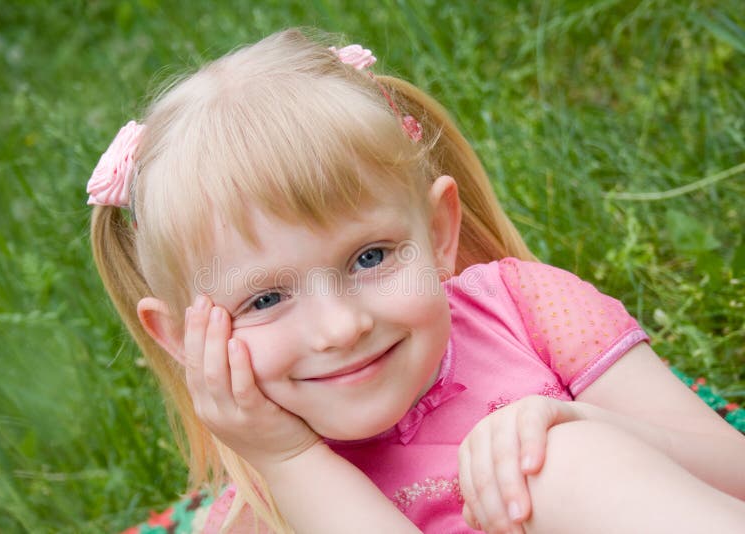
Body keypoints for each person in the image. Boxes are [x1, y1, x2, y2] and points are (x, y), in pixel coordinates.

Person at [87, 29, 745, 533]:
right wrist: (289, 460)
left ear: (439, 231)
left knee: (552, 460)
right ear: (180, 337)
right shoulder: (265, 506)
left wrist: (585, 425)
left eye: (370, 257)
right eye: (265, 298)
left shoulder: (527, 309)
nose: (342, 327)